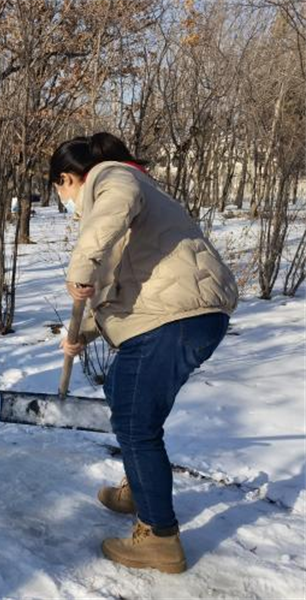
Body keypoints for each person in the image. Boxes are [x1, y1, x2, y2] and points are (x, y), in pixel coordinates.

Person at [51, 132, 238, 573]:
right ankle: (140, 487)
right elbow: (123, 288)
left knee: (136, 423)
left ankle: (159, 537)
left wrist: (80, 268)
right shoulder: (141, 195)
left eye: (59, 189)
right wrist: (86, 333)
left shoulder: (112, 180)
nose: (63, 200)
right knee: (122, 390)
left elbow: (107, 226)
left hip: (175, 318)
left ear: (68, 178)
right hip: (180, 314)